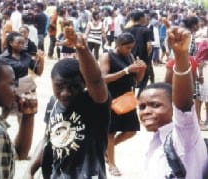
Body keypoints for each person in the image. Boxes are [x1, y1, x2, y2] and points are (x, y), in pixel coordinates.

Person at [24, 27, 110, 178]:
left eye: (73, 87)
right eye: (59, 86)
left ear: (84, 85)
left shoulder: (95, 102)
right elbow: (47, 137)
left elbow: (96, 81)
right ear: (52, 83)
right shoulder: (53, 103)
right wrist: (30, 169)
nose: (65, 93)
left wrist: (82, 50)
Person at [138, 26, 208, 179]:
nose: (146, 111)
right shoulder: (155, 142)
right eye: (142, 107)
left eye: (155, 105)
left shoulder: (184, 136)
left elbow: (184, 107)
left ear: (173, 106)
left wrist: (181, 55)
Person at [99, 32, 146, 176]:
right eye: (127, 47)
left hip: (126, 97)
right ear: (118, 45)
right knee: (110, 132)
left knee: (131, 130)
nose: (130, 50)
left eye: (131, 48)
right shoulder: (107, 56)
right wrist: (126, 70)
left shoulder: (129, 56)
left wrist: (141, 69)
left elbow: (137, 80)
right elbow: (103, 78)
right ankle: (112, 164)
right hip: (111, 97)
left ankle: (106, 150)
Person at [2, 31, 44, 160]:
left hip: (25, 90)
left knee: (24, 120)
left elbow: (38, 72)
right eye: (19, 42)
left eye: (23, 42)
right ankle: (2, 145)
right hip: (9, 91)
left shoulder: (26, 56)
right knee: (3, 118)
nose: (22, 45)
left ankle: (20, 149)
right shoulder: (3, 58)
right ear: (10, 43)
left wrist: (41, 60)